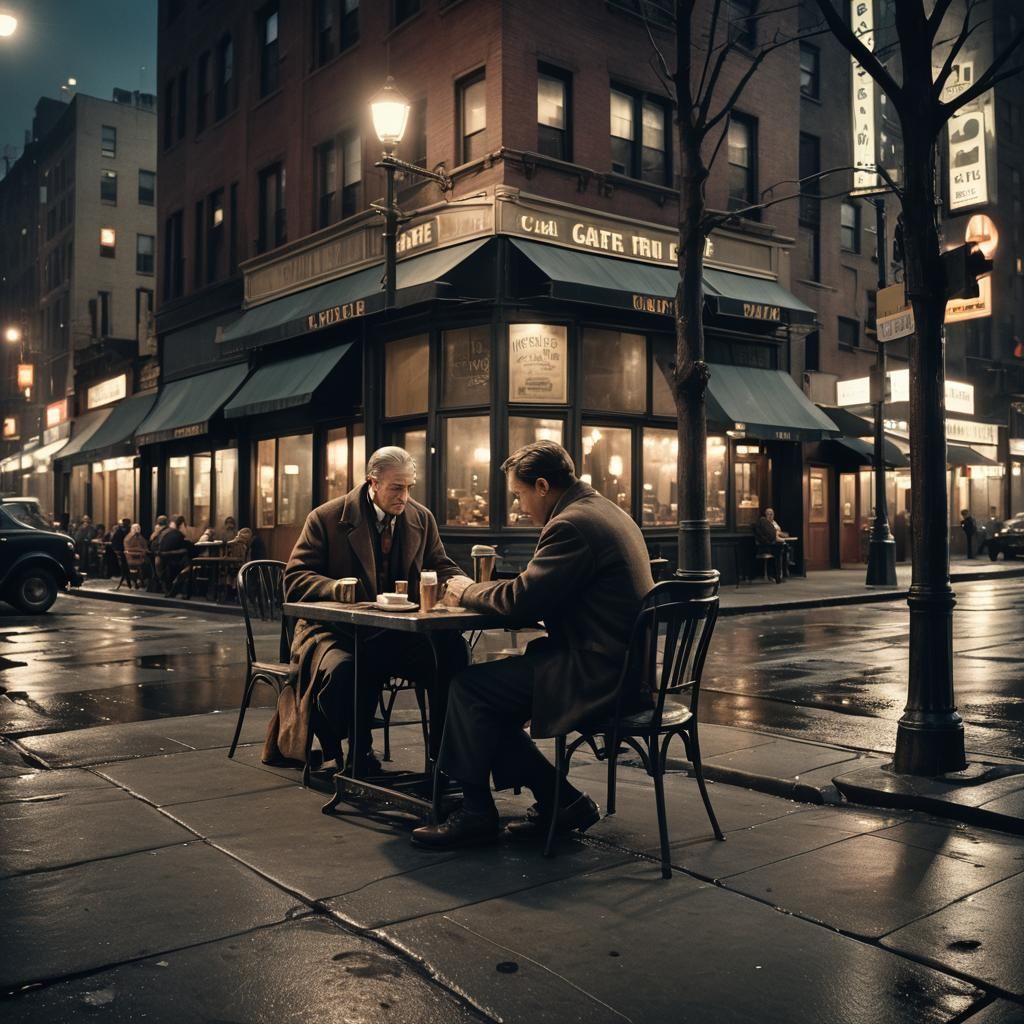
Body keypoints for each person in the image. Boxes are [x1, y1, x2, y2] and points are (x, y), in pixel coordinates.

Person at [411, 441, 655, 850]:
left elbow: (520, 599)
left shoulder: (570, 524)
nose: (520, 507)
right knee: (490, 702)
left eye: (520, 495)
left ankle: (476, 813)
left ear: (542, 486)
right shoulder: (601, 509)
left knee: (469, 690)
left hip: (597, 672)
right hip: (621, 665)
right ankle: (562, 801)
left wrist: (469, 590)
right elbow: (540, 590)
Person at [274, 446, 468, 775]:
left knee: (451, 654)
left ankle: (443, 760)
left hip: (398, 632)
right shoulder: (326, 517)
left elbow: (441, 566)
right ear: (372, 483)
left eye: (409, 487)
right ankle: (348, 752)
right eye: (396, 487)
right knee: (344, 670)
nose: (404, 496)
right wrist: (336, 588)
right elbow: (294, 580)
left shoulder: (421, 518)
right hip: (334, 632)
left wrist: (466, 586)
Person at [158, 515, 192, 595]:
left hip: (164, 560)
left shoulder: (164, 533)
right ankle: (178, 583)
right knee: (190, 565)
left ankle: (177, 586)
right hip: (174, 562)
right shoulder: (178, 534)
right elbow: (188, 548)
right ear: (181, 525)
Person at [754, 507, 786, 583]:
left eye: (771, 514)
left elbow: (778, 533)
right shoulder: (764, 523)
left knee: (784, 550)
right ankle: (776, 576)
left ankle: (780, 574)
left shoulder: (774, 523)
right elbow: (771, 537)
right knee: (779, 552)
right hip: (765, 545)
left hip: (773, 542)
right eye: (768, 514)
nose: (770, 516)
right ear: (765, 515)